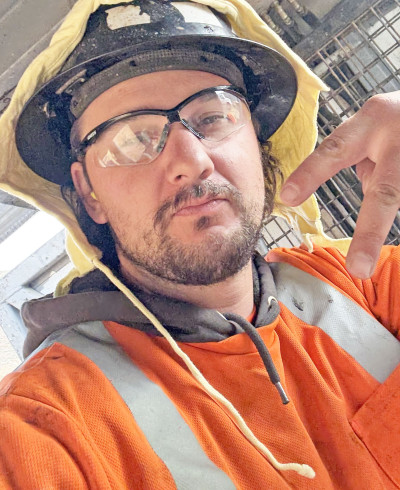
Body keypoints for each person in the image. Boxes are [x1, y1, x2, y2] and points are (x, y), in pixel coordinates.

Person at [0, 0, 399, 488]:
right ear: (89, 193)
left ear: (256, 139)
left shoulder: (361, 285)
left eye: (212, 117)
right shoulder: (45, 424)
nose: (192, 160)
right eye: (133, 138)